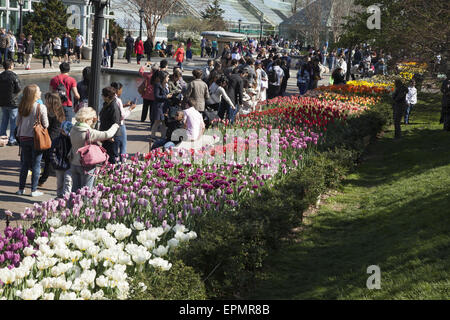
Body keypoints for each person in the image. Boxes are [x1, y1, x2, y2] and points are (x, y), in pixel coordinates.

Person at [70, 107, 119, 192]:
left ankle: (71, 205)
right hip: (86, 165)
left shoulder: (73, 129)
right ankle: (85, 205)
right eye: (93, 119)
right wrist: (116, 125)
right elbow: (108, 134)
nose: (94, 121)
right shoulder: (89, 132)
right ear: (87, 119)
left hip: (74, 163)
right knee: (86, 192)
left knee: (74, 191)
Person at [15, 84, 48, 197]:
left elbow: (17, 123)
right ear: (34, 94)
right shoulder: (40, 107)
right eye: (38, 91)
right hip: (36, 138)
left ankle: (21, 189)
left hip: (23, 137)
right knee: (36, 164)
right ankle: (33, 190)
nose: (40, 92)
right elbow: (46, 124)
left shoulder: (22, 106)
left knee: (25, 164)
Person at [38, 93, 66, 187]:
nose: (45, 101)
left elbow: (50, 129)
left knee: (48, 161)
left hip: (51, 139)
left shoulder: (51, 114)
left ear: (51, 102)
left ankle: (42, 179)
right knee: (49, 161)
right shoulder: (59, 111)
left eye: (47, 100)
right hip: (57, 139)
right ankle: (43, 179)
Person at [111, 82, 136, 161]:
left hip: (112, 124)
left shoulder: (110, 98)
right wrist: (130, 109)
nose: (122, 92)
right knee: (123, 145)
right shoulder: (117, 100)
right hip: (120, 125)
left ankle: (115, 161)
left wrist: (124, 105)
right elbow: (122, 116)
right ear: (117, 90)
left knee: (114, 146)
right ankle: (122, 162)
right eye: (121, 90)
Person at [0, 60, 21, 146]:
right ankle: (12, 139)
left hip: (2, 102)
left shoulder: (0, 76)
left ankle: (2, 137)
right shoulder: (13, 76)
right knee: (13, 121)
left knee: (4, 120)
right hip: (13, 102)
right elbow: (18, 88)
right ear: (11, 66)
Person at [99, 87, 122, 164]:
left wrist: (111, 136)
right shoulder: (106, 104)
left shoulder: (114, 107)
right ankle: (107, 173)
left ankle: (113, 173)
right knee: (105, 157)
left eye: (103, 95)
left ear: (108, 96)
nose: (102, 96)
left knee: (112, 158)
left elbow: (116, 123)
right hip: (106, 135)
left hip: (112, 137)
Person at [150, 70, 172, 139]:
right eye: (167, 77)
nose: (168, 78)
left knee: (163, 122)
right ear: (164, 77)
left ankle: (163, 136)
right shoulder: (157, 85)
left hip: (163, 106)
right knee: (157, 122)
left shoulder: (164, 85)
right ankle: (153, 136)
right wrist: (166, 96)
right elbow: (156, 96)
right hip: (158, 106)